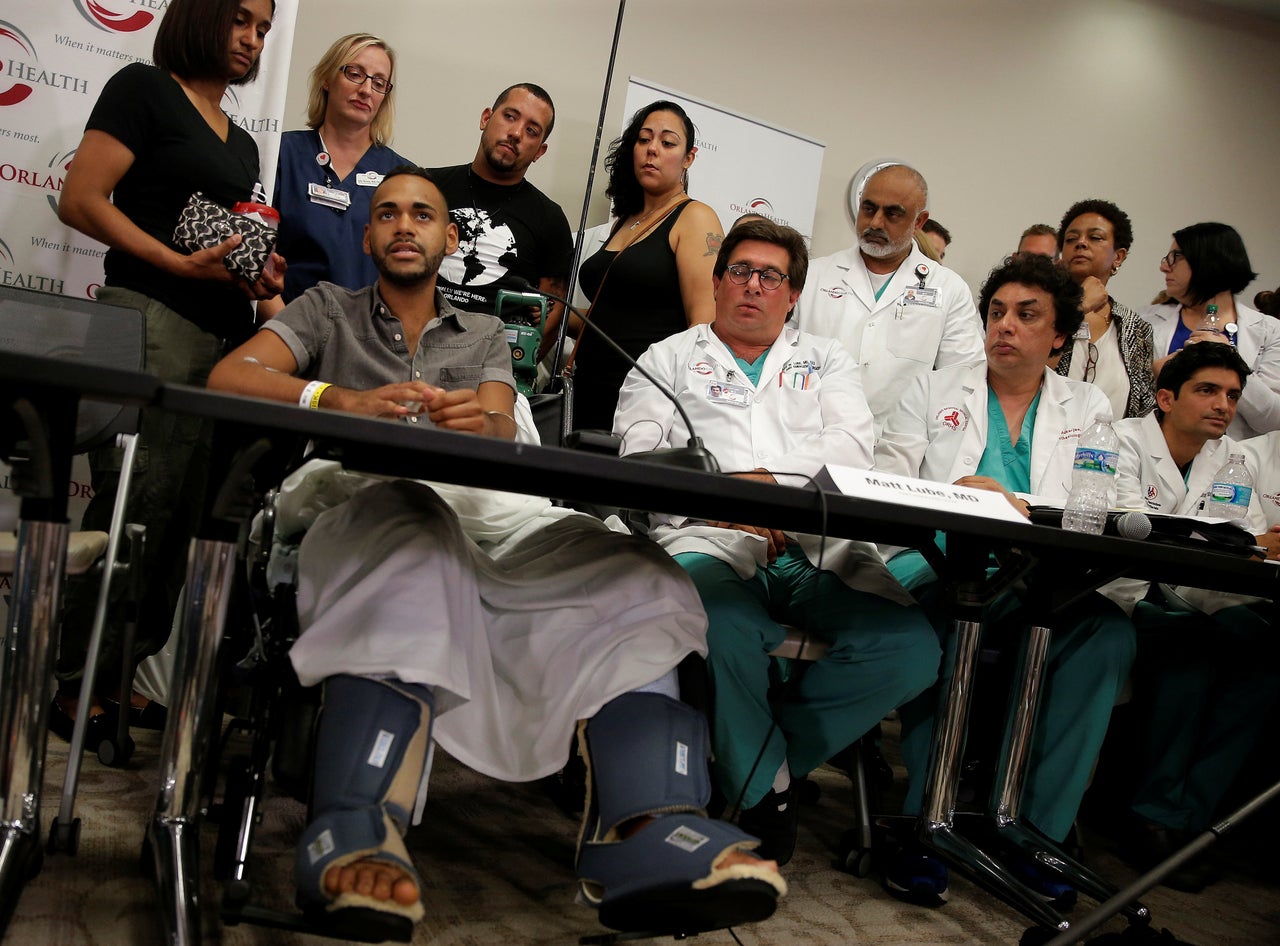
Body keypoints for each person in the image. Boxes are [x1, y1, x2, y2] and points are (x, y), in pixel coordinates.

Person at [206, 166, 784, 934]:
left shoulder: (482, 332)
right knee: (413, 533)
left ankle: (649, 825)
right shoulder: (326, 311)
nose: (405, 225)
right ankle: (355, 821)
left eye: (423, 216)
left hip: (489, 505)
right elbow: (230, 374)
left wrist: (478, 422)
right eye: (388, 214)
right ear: (370, 234)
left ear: (451, 240)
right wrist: (335, 398)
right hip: (364, 494)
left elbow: (499, 415)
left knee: (635, 570)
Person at [612, 218, 940, 866]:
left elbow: (851, 448)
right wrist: (728, 497)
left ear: (793, 295)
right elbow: (643, 456)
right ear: (717, 281)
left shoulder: (827, 361)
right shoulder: (667, 358)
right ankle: (770, 796)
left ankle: (759, 767)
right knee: (725, 623)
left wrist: (767, 485)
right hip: (709, 536)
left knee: (909, 649)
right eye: (740, 271)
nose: (753, 286)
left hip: (812, 542)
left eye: (771, 276)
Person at [53, 0, 285, 745]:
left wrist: (254, 271)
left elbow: (220, 245)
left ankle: (117, 676)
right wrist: (171, 259)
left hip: (219, 343)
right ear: (203, 15)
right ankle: (71, 683)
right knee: (134, 502)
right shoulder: (143, 89)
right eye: (243, 20)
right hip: (147, 317)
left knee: (181, 517)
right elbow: (80, 198)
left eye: (264, 30)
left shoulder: (244, 144)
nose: (252, 39)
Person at [874, 253, 1136, 906]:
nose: (1005, 326)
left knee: (1105, 636)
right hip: (942, 567)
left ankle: (1036, 833)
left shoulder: (1089, 405)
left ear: (1058, 335)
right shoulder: (932, 390)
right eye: (996, 312)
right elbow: (883, 485)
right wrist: (960, 490)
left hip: (1044, 583)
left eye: (1027, 314)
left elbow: (1113, 500)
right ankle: (923, 824)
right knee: (954, 623)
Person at [1108, 342, 1276, 892]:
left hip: (1197, 603)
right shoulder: (1122, 440)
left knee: (1267, 662)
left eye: (1231, 395)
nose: (1223, 405)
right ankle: (1151, 815)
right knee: (1191, 657)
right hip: (1126, 596)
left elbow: (1247, 542)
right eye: (1207, 390)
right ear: (1165, 397)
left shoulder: (1230, 459)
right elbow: (1135, 529)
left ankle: (1191, 819)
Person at [793, 160, 983, 435]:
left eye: (893, 214)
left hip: (899, 450)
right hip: (811, 434)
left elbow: (961, 383)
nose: (875, 223)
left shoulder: (949, 289)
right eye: (868, 209)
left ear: (919, 222)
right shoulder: (813, 274)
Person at [572, 100, 725, 431]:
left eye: (667, 142)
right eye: (643, 139)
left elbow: (704, 327)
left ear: (688, 158)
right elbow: (616, 312)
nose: (652, 149)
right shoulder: (626, 219)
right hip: (584, 389)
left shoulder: (695, 217)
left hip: (641, 400)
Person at [257, 33, 406, 318]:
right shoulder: (281, 154)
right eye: (355, 73)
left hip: (367, 343)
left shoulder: (400, 177)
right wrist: (289, 339)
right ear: (327, 78)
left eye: (378, 83)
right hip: (284, 329)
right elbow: (256, 261)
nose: (366, 90)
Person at [428, 83, 572, 341]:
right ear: (486, 118)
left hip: (491, 362)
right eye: (509, 116)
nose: (516, 133)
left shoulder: (549, 218)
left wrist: (513, 371)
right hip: (413, 342)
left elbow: (553, 308)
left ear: (540, 151)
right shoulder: (426, 187)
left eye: (531, 130)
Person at [1142, 222, 1280, 439]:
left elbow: (1273, 420)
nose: (1164, 267)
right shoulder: (1145, 321)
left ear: (1208, 261)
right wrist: (1151, 374)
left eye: (1175, 258)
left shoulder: (1271, 331)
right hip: (1155, 455)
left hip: (1235, 461)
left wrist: (1232, 362)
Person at [1053, 199, 1155, 418]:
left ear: (1118, 256)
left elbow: (1143, 409)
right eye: (1071, 239)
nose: (1080, 243)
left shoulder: (1136, 327)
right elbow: (1024, 369)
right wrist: (1078, 306)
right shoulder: (1042, 309)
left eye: (1095, 237)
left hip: (1113, 448)